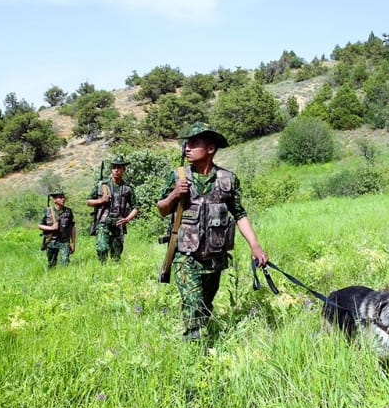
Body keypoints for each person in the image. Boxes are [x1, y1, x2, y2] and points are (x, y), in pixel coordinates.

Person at [157, 122, 269, 341]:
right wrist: (173, 196)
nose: (187, 148)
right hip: (185, 256)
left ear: (210, 149)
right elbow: (161, 209)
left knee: (206, 304)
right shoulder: (178, 176)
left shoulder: (228, 180)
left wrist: (255, 246)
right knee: (192, 302)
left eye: (194, 143)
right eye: (186, 144)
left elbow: (239, 214)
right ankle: (193, 349)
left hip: (214, 258)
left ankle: (206, 338)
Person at [86, 155, 139, 262]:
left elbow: (136, 207)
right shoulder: (102, 185)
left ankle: (113, 273)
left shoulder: (127, 188)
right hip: (103, 222)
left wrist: (127, 219)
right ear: (111, 169)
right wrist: (100, 201)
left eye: (119, 168)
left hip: (118, 223)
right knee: (102, 248)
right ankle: (103, 269)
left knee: (116, 255)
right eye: (114, 167)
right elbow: (88, 201)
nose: (116, 170)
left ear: (124, 170)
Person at [38, 190, 76, 267]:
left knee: (65, 264)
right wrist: (51, 228)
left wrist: (73, 243)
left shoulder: (68, 211)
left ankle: (64, 277)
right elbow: (40, 225)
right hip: (51, 241)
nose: (63, 199)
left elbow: (72, 227)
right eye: (60, 197)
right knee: (51, 264)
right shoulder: (47, 211)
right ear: (54, 200)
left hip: (64, 242)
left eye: (63, 197)